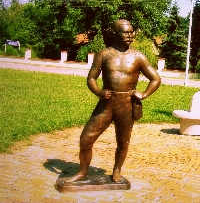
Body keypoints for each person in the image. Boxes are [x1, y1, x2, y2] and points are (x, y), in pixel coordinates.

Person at [65, 19, 161, 184]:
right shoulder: (104, 54)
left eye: (131, 32)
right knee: (86, 138)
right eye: (125, 32)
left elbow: (155, 79)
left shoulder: (138, 56)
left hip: (127, 104)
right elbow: (91, 79)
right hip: (107, 103)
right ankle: (82, 172)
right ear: (115, 33)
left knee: (123, 142)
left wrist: (143, 95)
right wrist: (99, 92)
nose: (130, 35)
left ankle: (116, 172)